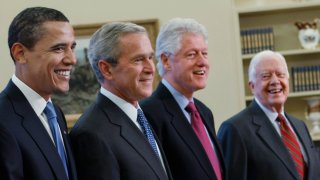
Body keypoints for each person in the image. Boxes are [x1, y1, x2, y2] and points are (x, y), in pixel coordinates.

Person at [69, 22, 172, 180]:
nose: (151, 68)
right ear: (107, 69)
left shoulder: (141, 118)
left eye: (150, 57)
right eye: (138, 60)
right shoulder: (91, 134)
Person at [140, 18, 226, 180]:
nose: (202, 62)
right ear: (166, 61)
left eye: (204, 53)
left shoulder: (204, 112)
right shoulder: (148, 114)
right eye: (192, 54)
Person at [0, 7, 78, 180]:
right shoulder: (3, 120)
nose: (72, 59)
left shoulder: (55, 112)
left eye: (72, 47)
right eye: (58, 48)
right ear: (20, 53)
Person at [217, 50, 320, 180]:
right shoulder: (234, 129)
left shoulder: (300, 126)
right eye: (266, 76)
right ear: (252, 86)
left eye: (280, 74)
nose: (275, 81)